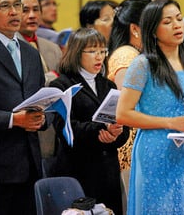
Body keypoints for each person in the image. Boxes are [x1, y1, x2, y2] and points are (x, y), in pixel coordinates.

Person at [116, 0, 184, 214]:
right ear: (153, 30)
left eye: (179, 18)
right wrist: (171, 122)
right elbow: (123, 114)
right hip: (153, 150)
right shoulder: (142, 64)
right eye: (167, 21)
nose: (177, 25)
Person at [49, 27, 130, 215]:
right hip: (77, 169)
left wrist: (116, 134)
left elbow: (122, 126)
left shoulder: (108, 85)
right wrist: (99, 130)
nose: (99, 57)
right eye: (92, 51)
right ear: (77, 52)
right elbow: (64, 127)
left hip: (107, 170)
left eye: (103, 51)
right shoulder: (61, 85)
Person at [0, 0, 51, 215]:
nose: (15, 12)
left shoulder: (30, 52)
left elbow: (42, 102)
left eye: (18, 5)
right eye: (5, 6)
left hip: (31, 165)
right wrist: (14, 120)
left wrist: (42, 119)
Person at [17, 0, 63, 175]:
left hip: (55, 131)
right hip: (26, 132)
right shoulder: (11, 48)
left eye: (36, 9)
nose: (32, 15)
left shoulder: (52, 47)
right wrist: (51, 79)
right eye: (25, 10)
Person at [107, 0, 151, 172]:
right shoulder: (126, 56)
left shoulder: (138, 54)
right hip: (133, 144)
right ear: (135, 29)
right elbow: (129, 106)